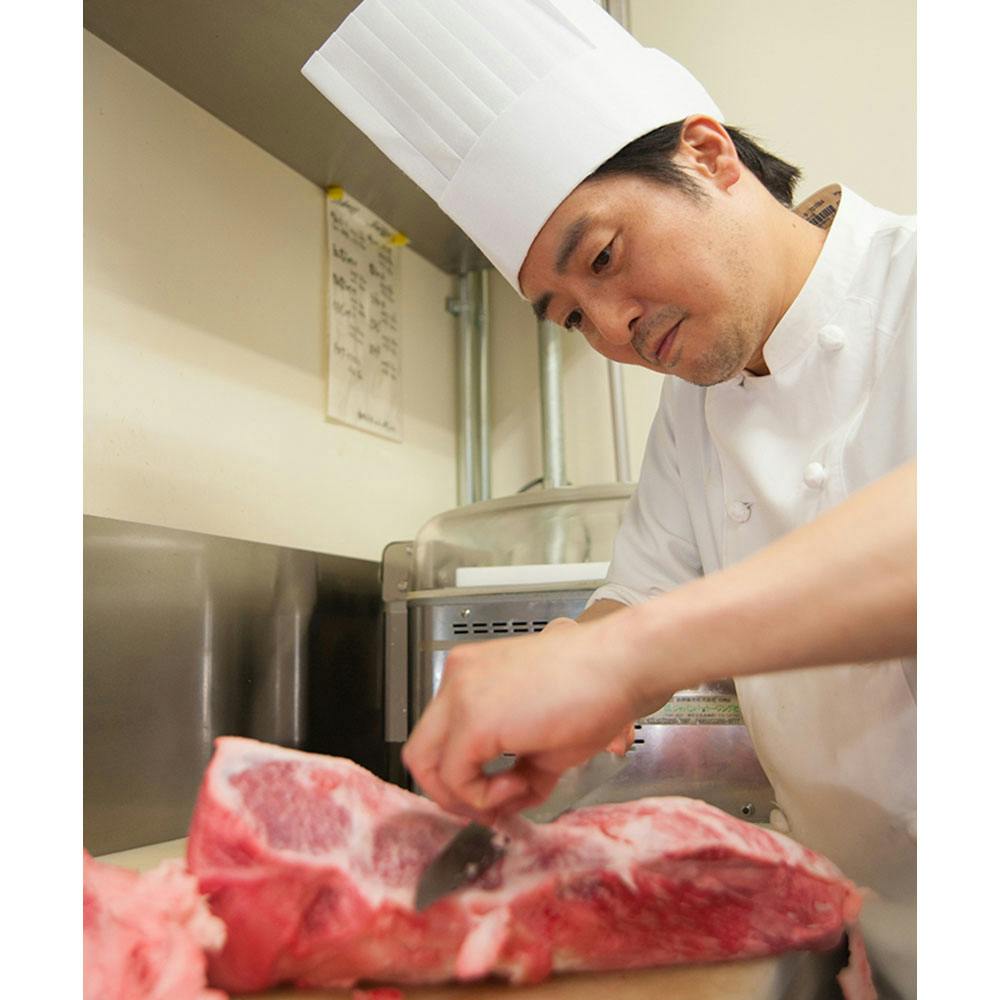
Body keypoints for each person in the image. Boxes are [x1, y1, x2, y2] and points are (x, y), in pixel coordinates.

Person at [302, 2, 916, 996]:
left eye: (601, 259)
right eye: (572, 319)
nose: (615, 330)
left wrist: (613, 660)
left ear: (708, 155)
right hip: (884, 938)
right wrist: (556, 672)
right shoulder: (694, 408)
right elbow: (639, 598)